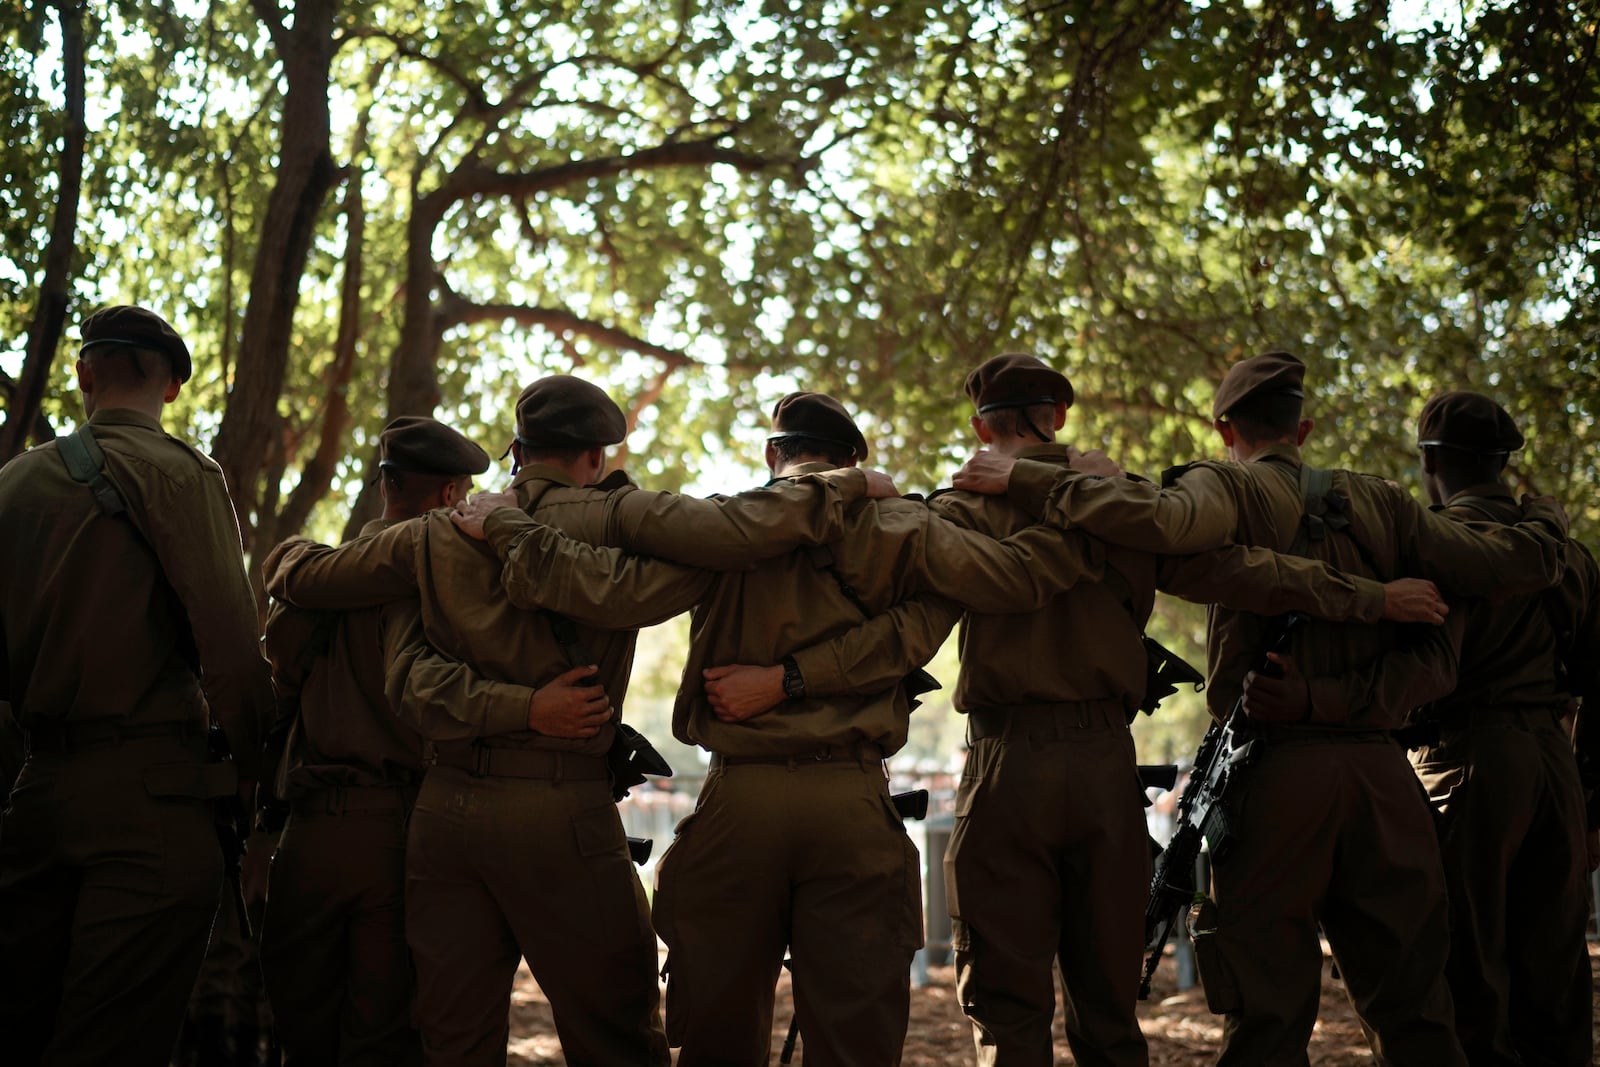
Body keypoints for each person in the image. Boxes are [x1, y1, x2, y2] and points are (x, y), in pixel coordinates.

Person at [449, 387, 1444, 1067]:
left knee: (716, 1026)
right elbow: (1027, 577)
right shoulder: (912, 528)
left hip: (740, 799)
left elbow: (602, 585)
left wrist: (509, 522)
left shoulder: (721, 528)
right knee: (858, 1031)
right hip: (852, 799)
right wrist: (1072, 498)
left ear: (773, 458)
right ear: (857, 463)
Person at [951, 351, 1570, 1065]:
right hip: (1382, 777)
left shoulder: (1223, 489)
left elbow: (1182, 534)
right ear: (1301, 427)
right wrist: (1548, 527)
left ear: (1224, 430)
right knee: (1417, 1009)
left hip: (1274, 775)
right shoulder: (1386, 502)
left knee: (1266, 1013)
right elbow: (1497, 565)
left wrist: (1036, 479)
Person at [265, 376, 898, 1067]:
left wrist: (293, 554)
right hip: (562, 808)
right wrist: (845, 486)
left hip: (445, 816)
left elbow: (352, 625)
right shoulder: (619, 519)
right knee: (615, 1035)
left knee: (451, 1040)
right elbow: (733, 534)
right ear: (596, 458)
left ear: (515, 450)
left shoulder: (435, 534)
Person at [0, 305, 275, 1066]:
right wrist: (261, 775)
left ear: (85, 373)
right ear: (174, 388)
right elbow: (230, 647)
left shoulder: (12, 486)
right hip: (151, 808)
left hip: (35, 798)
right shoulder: (184, 475)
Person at [258, 415, 539, 1067]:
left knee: (301, 1029)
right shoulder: (452, 584)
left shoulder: (315, 582)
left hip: (312, 830)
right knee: (384, 1033)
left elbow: (277, 679)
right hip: (406, 826)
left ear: (385, 482)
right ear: (448, 497)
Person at [1402, 391, 1598, 1066]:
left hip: (1464, 760)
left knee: (1468, 973)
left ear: (1431, 461)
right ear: (1505, 464)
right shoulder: (1567, 557)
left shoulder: (1432, 545)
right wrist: (1590, 803)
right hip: (1554, 766)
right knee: (1558, 975)